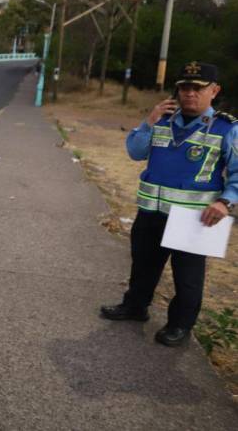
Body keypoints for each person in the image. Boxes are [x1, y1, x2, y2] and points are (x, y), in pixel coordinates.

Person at [101, 62, 237, 347]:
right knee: (143, 267)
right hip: (152, 211)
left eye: (197, 89)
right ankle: (135, 307)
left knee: (187, 278)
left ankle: (179, 325)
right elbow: (135, 152)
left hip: (193, 219)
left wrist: (226, 203)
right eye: (184, 88)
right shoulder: (162, 120)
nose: (189, 94)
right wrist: (148, 122)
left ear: (214, 91)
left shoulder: (227, 128)